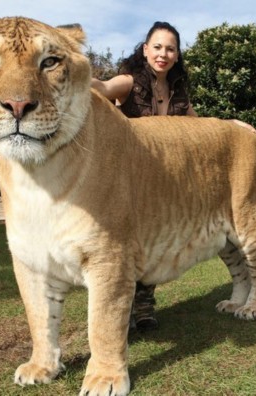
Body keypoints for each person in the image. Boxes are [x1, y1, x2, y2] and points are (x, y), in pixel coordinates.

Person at [92, 21, 196, 331]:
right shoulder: (129, 82)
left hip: (162, 181)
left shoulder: (179, 92)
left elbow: (202, 126)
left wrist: (233, 126)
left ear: (176, 55)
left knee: (151, 244)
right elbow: (103, 89)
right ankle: (125, 307)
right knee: (126, 245)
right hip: (125, 180)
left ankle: (144, 304)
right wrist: (81, 78)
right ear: (145, 50)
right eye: (158, 47)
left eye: (170, 48)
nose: (163, 53)